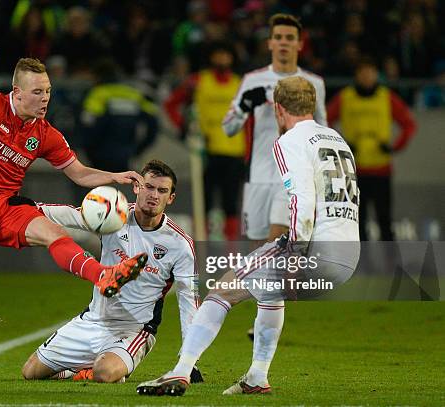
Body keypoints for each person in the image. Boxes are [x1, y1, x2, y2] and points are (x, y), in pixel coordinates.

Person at [0, 38, 149, 385]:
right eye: (37, 92)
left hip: (6, 206)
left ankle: (103, 275)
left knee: (52, 232)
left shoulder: (45, 134)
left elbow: (78, 173)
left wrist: (114, 175)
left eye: (47, 91)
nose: (44, 98)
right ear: (16, 92)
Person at [137, 76, 360, 396]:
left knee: (221, 292)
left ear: (278, 110)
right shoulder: (337, 139)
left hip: (315, 249)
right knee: (270, 294)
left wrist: (295, 254)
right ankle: (257, 376)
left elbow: (302, 201)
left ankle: (181, 370)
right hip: (349, 254)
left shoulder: (290, 141)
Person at [21, 160, 202, 384]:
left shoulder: (180, 244)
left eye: (162, 190)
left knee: (104, 373)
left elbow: (188, 302)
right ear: (137, 187)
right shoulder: (115, 216)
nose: (154, 195)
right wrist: (33, 208)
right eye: (149, 187)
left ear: (170, 198)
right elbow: (74, 216)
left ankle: (107, 366)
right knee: (30, 372)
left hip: (133, 329)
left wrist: (189, 361)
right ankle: (80, 371)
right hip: (92, 319)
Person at [222, 13, 327, 247]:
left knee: (279, 245)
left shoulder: (314, 83)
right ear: (270, 43)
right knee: (256, 250)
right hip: (258, 176)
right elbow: (229, 128)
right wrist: (243, 106)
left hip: (291, 176)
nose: (283, 42)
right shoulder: (252, 80)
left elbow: (323, 131)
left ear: (299, 44)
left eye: (290, 38)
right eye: (278, 37)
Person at [327, 57, 416, 241]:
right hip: (353, 170)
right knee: (356, 221)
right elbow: (324, 121)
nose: (367, 76)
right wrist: (340, 145)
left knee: (385, 220)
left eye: (370, 72)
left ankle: (388, 265)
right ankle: (362, 266)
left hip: (381, 168)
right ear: (357, 75)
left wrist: (394, 147)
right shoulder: (345, 97)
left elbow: (409, 124)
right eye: (363, 72)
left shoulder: (387, 97)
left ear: (376, 74)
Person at [164, 42, 246, 241]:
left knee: (230, 202)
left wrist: (250, 148)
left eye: (225, 55)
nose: (221, 59)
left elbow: (250, 118)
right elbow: (171, 104)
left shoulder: (241, 84)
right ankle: (203, 245)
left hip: (235, 150)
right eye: (218, 55)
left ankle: (230, 252)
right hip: (205, 150)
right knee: (204, 201)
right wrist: (183, 128)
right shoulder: (198, 81)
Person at [80, 58, 158, 173]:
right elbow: (153, 124)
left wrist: (88, 150)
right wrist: (138, 149)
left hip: (100, 155)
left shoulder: (97, 94)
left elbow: (87, 124)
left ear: (98, 76)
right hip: (126, 155)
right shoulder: (133, 93)